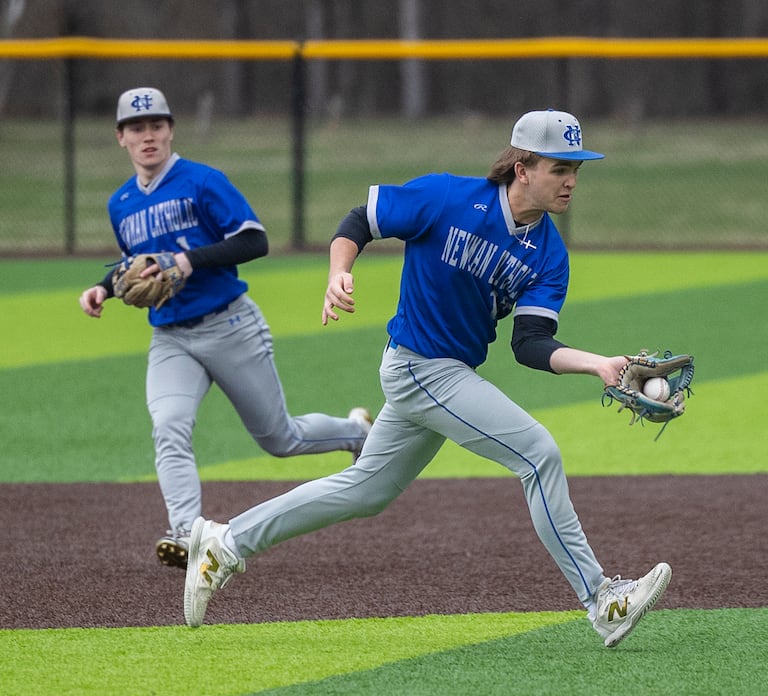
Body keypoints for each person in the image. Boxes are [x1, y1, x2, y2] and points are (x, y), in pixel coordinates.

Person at [182, 108, 672, 647]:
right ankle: (601, 598)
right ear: (522, 167)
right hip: (418, 366)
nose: (572, 180)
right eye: (560, 167)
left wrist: (598, 364)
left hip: (448, 373)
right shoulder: (447, 198)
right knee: (538, 453)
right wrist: (337, 272)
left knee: (366, 490)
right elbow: (358, 222)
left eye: (577, 167)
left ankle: (224, 543)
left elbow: (530, 344)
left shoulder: (550, 254)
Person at [78, 87, 372, 570]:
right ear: (120, 138)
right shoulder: (121, 203)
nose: (147, 135)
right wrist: (103, 288)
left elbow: (255, 240)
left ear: (170, 130)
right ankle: (187, 534)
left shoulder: (202, 182)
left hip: (230, 326)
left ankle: (356, 432)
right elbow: (139, 266)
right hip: (171, 337)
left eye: (155, 125)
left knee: (280, 440)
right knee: (169, 425)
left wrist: (189, 260)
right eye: (136, 128)